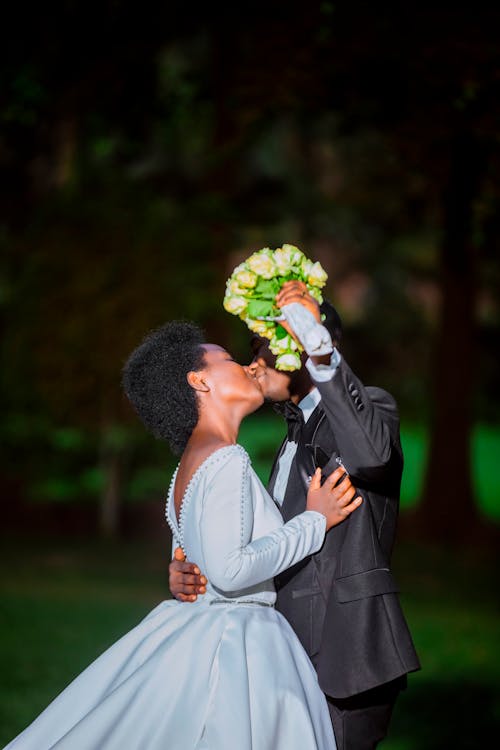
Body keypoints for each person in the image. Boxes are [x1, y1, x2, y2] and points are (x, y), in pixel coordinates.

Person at [3, 320, 364, 750]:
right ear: (199, 380)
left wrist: (184, 571)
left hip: (201, 625)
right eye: (230, 360)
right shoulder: (226, 458)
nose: (249, 368)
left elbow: (205, 557)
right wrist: (315, 521)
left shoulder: (190, 464)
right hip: (236, 643)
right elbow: (231, 570)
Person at [169, 283, 421, 750]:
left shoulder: (373, 409)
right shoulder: (286, 439)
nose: (253, 362)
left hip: (347, 657)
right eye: (252, 350)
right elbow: (261, 540)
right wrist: (198, 566)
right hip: (282, 651)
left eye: (267, 347)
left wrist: (314, 338)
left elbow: (370, 456)